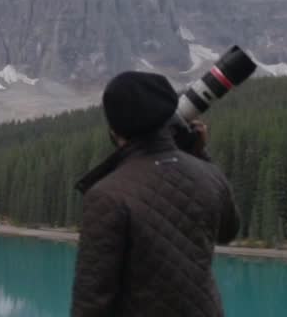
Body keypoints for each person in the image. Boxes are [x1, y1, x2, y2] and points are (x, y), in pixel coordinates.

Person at [71, 71, 240, 317]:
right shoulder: (209, 174)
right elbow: (228, 232)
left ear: (115, 130)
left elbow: (91, 301)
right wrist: (200, 153)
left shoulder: (106, 194)